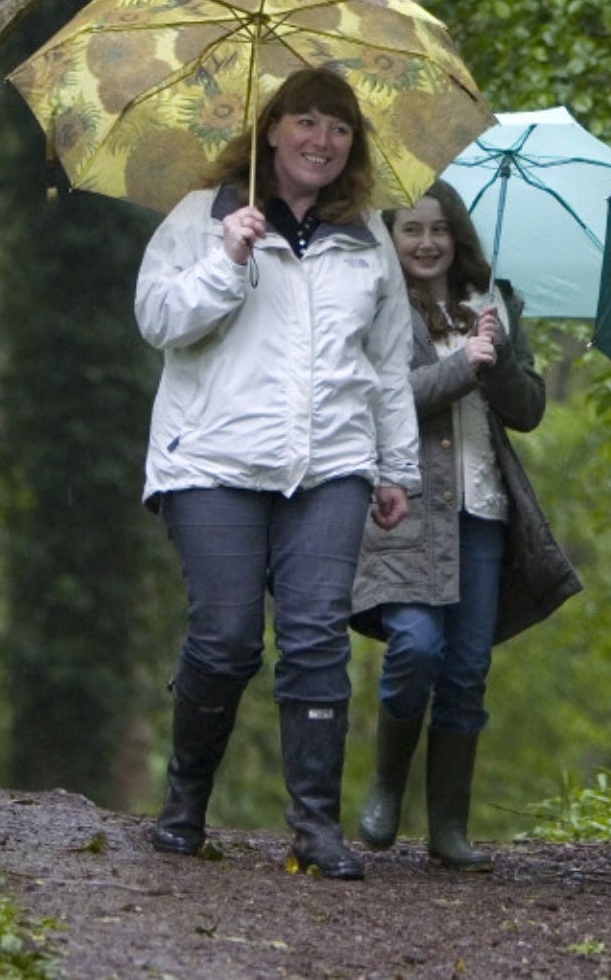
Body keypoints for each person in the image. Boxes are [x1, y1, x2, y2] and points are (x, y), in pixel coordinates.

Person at [133, 68, 419, 879]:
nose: (321, 140)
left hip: (330, 464)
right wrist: (226, 259)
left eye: (338, 128)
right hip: (213, 460)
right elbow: (158, 320)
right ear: (271, 128)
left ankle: (316, 827)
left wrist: (396, 465)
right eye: (306, 121)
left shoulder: (368, 239)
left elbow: (388, 361)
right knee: (224, 640)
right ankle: (185, 801)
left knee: (316, 636)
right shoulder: (204, 217)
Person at [349, 181, 582, 868]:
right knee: (416, 645)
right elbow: (380, 398)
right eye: (411, 229)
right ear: (390, 239)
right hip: (405, 506)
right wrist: (460, 365)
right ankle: (388, 781)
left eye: (439, 229)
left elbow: (530, 408)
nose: (426, 242)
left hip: (483, 511)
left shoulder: (493, 304)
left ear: (458, 237)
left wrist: (498, 353)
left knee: (467, 670)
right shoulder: (377, 307)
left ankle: (449, 827)